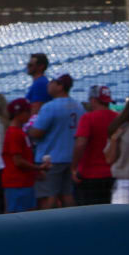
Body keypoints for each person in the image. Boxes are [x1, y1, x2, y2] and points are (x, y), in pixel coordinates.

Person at [26, 74, 81, 209]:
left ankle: (46, 227)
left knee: (49, 196)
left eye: (52, 82)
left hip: (49, 160)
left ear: (60, 86)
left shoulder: (50, 107)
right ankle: (73, 225)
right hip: (71, 158)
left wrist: (27, 129)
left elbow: (37, 132)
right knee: (67, 195)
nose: (48, 85)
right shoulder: (79, 106)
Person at [73, 86, 116, 205]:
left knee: (89, 215)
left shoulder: (88, 118)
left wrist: (74, 167)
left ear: (93, 100)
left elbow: (80, 144)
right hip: (112, 174)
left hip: (89, 175)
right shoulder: (117, 117)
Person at [1, 98, 39, 213]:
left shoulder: (20, 131)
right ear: (19, 113)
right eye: (27, 111)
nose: (30, 114)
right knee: (15, 219)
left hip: (24, 182)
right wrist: (38, 168)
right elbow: (17, 161)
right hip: (16, 184)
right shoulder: (14, 133)